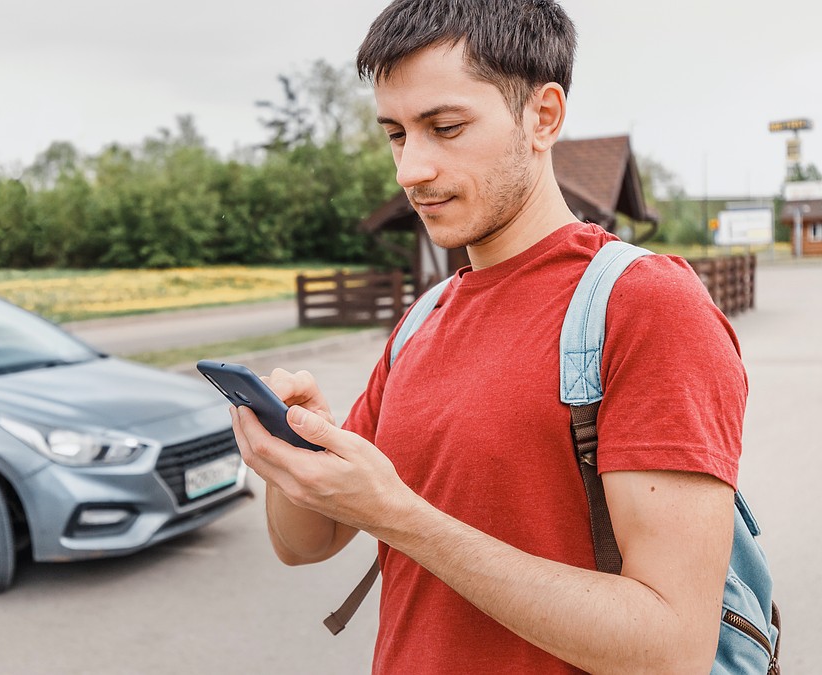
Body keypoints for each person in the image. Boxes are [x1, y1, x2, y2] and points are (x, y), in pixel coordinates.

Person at [229, 0, 746, 672]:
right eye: (395, 134)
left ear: (544, 116)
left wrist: (400, 517)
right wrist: (290, 449)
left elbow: (668, 648)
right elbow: (307, 542)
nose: (408, 170)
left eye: (445, 128)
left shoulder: (646, 305)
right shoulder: (424, 317)